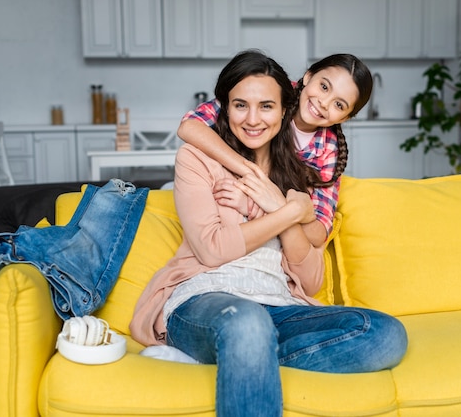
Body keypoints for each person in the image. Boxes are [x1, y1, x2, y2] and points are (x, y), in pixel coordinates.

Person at [130, 50, 407, 417]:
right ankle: (241, 349)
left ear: (282, 110)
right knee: (247, 324)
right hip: (206, 297)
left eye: (266, 107)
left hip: (278, 304)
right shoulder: (198, 158)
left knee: (385, 333)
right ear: (225, 107)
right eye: (241, 105)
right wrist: (286, 211)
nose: (254, 118)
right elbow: (212, 251)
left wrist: (278, 205)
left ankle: (236, 359)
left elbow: (310, 281)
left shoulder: (302, 173)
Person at [177, 53, 373, 246]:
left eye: (339, 105)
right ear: (308, 76)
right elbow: (189, 126)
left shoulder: (328, 150)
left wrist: (277, 204)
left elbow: (318, 232)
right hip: (221, 190)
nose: (324, 102)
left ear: (344, 118)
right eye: (324, 87)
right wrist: (250, 171)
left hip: (262, 219)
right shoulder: (272, 90)